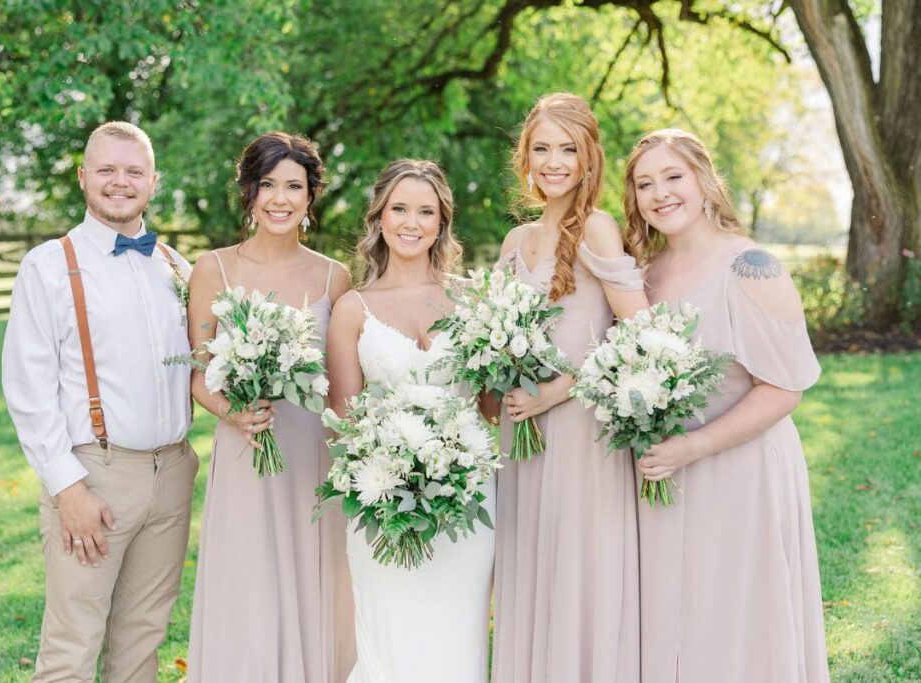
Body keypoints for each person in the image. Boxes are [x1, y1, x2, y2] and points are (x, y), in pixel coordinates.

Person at [623, 127, 829, 682]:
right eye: (645, 184)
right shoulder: (644, 275)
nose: (660, 193)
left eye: (673, 177)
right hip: (670, 474)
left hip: (742, 472)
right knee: (680, 623)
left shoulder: (750, 266)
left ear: (704, 181)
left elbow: (785, 387)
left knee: (736, 619)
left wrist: (694, 446)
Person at [2, 121, 197, 682]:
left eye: (133, 171)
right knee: (71, 645)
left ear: (153, 181)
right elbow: (28, 390)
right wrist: (67, 487)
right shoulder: (49, 266)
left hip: (173, 472)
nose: (120, 182)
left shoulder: (175, 267)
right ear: (84, 177)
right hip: (95, 476)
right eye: (107, 170)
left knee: (142, 639)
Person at [185, 132, 355, 682]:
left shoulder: (335, 276)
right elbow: (197, 371)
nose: (280, 199)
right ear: (249, 193)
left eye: (294, 187)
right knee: (249, 579)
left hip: (313, 455)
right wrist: (231, 412)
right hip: (246, 448)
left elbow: (341, 385)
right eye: (268, 185)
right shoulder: (214, 269)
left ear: (310, 198)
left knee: (316, 577)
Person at [490, 92, 647, 682]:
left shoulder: (599, 228)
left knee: (578, 567)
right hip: (520, 430)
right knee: (530, 566)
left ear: (588, 159)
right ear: (524, 159)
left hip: (581, 426)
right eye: (541, 148)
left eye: (567, 149)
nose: (553, 161)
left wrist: (557, 391)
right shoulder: (514, 243)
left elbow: (639, 336)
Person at [327, 159, 494, 682]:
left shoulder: (473, 301)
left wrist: (452, 463)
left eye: (426, 211)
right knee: (390, 639)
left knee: (457, 637)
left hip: (469, 500)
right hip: (382, 503)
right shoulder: (353, 308)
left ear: (442, 222)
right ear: (378, 217)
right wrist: (396, 468)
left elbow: (489, 409)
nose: (411, 222)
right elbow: (343, 420)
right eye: (399, 208)